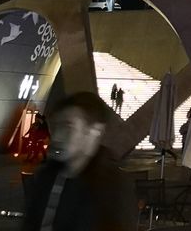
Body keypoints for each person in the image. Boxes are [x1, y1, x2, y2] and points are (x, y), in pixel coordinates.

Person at [21, 91, 135, 230]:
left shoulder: (113, 185)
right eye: (56, 127)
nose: (57, 136)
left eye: (68, 127)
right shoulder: (48, 176)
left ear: (95, 131)